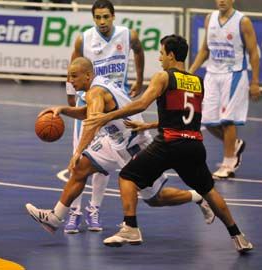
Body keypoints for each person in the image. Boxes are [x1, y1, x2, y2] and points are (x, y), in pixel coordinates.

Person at [84, 35, 253, 253]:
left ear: (171, 55)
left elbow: (141, 104)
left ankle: (130, 227)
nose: (160, 58)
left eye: (162, 53)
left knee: (127, 177)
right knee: (209, 191)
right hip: (193, 146)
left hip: (169, 144)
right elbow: (185, 116)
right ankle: (238, 237)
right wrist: (148, 126)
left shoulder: (162, 77)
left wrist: (107, 117)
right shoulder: (197, 81)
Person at [25, 57, 215, 235]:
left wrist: (78, 151)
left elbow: (92, 123)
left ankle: (197, 196)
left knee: (155, 199)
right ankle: (55, 217)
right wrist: (63, 109)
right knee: (81, 168)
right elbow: (89, 113)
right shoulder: (98, 86)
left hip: (134, 145)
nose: (70, 80)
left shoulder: (95, 92)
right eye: (68, 76)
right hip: (115, 141)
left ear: (88, 76)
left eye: (74, 76)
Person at [64, 0, 145, 233]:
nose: (102, 22)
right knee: (78, 159)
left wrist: (139, 80)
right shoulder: (84, 38)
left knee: (103, 163)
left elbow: (139, 51)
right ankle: (74, 212)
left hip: (114, 108)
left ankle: (94, 209)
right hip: (89, 104)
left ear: (113, 16)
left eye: (106, 17)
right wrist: (71, 93)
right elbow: (73, 65)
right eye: (98, 17)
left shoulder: (127, 35)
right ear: (93, 18)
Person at [189, 0, 261, 179]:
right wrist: (190, 72)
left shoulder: (243, 21)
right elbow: (205, 50)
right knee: (208, 120)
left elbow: (253, 52)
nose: (221, 0)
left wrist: (255, 82)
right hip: (212, 75)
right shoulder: (209, 19)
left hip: (234, 74)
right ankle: (234, 144)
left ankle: (228, 163)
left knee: (227, 120)